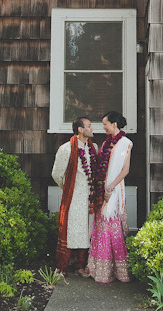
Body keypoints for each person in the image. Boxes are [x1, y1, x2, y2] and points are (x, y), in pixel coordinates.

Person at [86, 111, 132, 283]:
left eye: (105, 123)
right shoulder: (106, 143)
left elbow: (125, 170)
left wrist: (110, 188)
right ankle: (100, 271)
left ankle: (119, 272)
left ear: (114, 124)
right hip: (101, 190)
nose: (103, 126)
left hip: (114, 190)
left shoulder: (126, 143)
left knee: (113, 229)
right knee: (101, 229)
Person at [52, 116, 100, 276]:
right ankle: (62, 267)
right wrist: (69, 189)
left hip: (89, 199)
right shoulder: (66, 149)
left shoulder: (93, 149)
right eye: (89, 126)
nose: (92, 128)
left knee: (86, 232)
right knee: (71, 231)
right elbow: (57, 174)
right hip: (73, 199)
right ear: (80, 129)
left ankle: (80, 266)